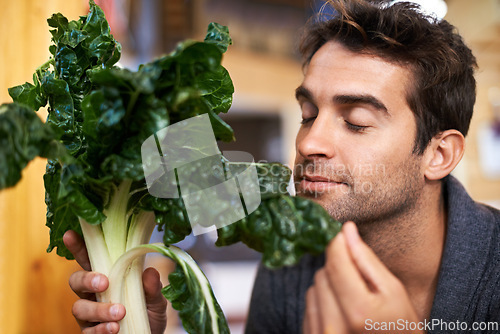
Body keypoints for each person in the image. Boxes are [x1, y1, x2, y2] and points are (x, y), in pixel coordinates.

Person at [66, 0, 500, 333]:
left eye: (356, 122)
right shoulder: (288, 269)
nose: (309, 142)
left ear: (439, 155)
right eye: (309, 114)